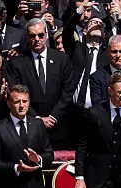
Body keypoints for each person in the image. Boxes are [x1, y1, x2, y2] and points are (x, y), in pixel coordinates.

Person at [6, 18, 75, 150]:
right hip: (30, 127)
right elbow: (16, 93)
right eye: (32, 36)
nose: (37, 39)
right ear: (26, 37)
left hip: (58, 126)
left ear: (46, 35)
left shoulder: (61, 59)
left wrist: (53, 117)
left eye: (40, 35)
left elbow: (68, 91)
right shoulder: (17, 63)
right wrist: (37, 119)